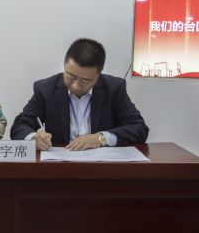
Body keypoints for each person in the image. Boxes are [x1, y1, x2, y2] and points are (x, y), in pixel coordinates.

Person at [11, 38, 149, 150]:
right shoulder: (46, 89)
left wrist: (100, 138)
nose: (76, 85)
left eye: (85, 80)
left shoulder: (114, 89)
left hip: (102, 167)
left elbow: (139, 128)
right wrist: (34, 138)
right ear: (64, 65)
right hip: (59, 166)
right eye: (71, 76)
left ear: (98, 75)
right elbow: (19, 126)